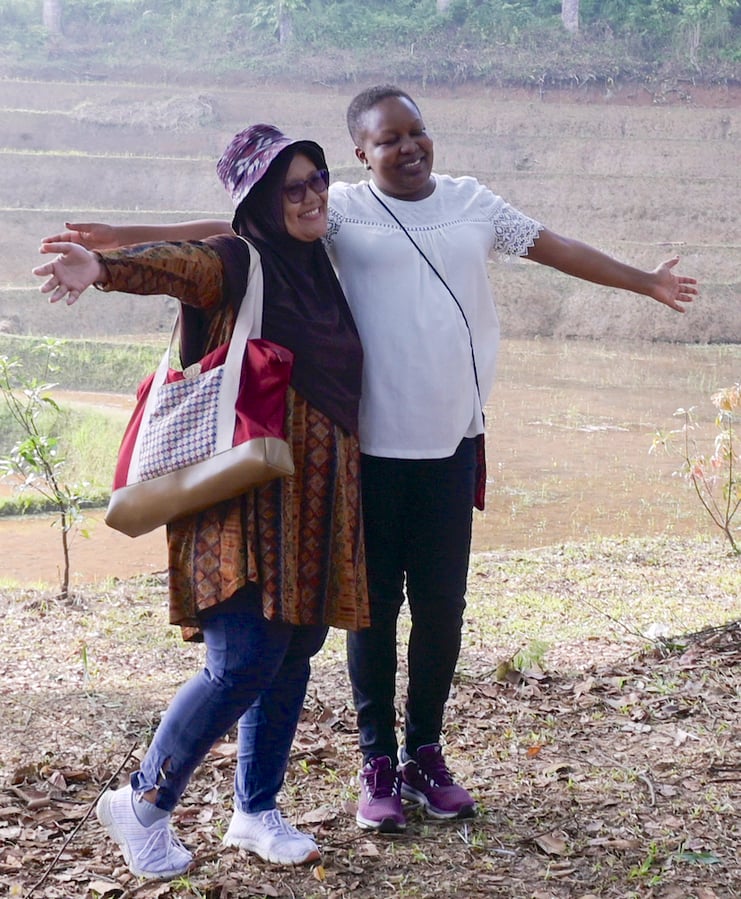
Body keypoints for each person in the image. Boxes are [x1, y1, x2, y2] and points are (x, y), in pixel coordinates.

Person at [42, 85, 698, 836]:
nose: (408, 147)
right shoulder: (335, 213)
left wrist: (644, 281)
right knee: (361, 617)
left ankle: (395, 762)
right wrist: (114, 248)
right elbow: (221, 238)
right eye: (388, 139)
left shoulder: (463, 202)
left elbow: (552, 246)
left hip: (438, 445)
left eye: (416, 132)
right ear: (363, 151)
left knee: (416, 617)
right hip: (360, 459)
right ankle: (368, 763)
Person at [34, 124, 370, 877]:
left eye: (317, 180)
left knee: (290, 654)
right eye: (293, 187)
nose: (313, 195)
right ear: (258, 200)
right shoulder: (237, 261)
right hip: (240, 498)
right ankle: (144, 802)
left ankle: (254, 809)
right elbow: (181, 264)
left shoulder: (317, 268)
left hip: (313, 500)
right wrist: (104, 265)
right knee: (242, 657)